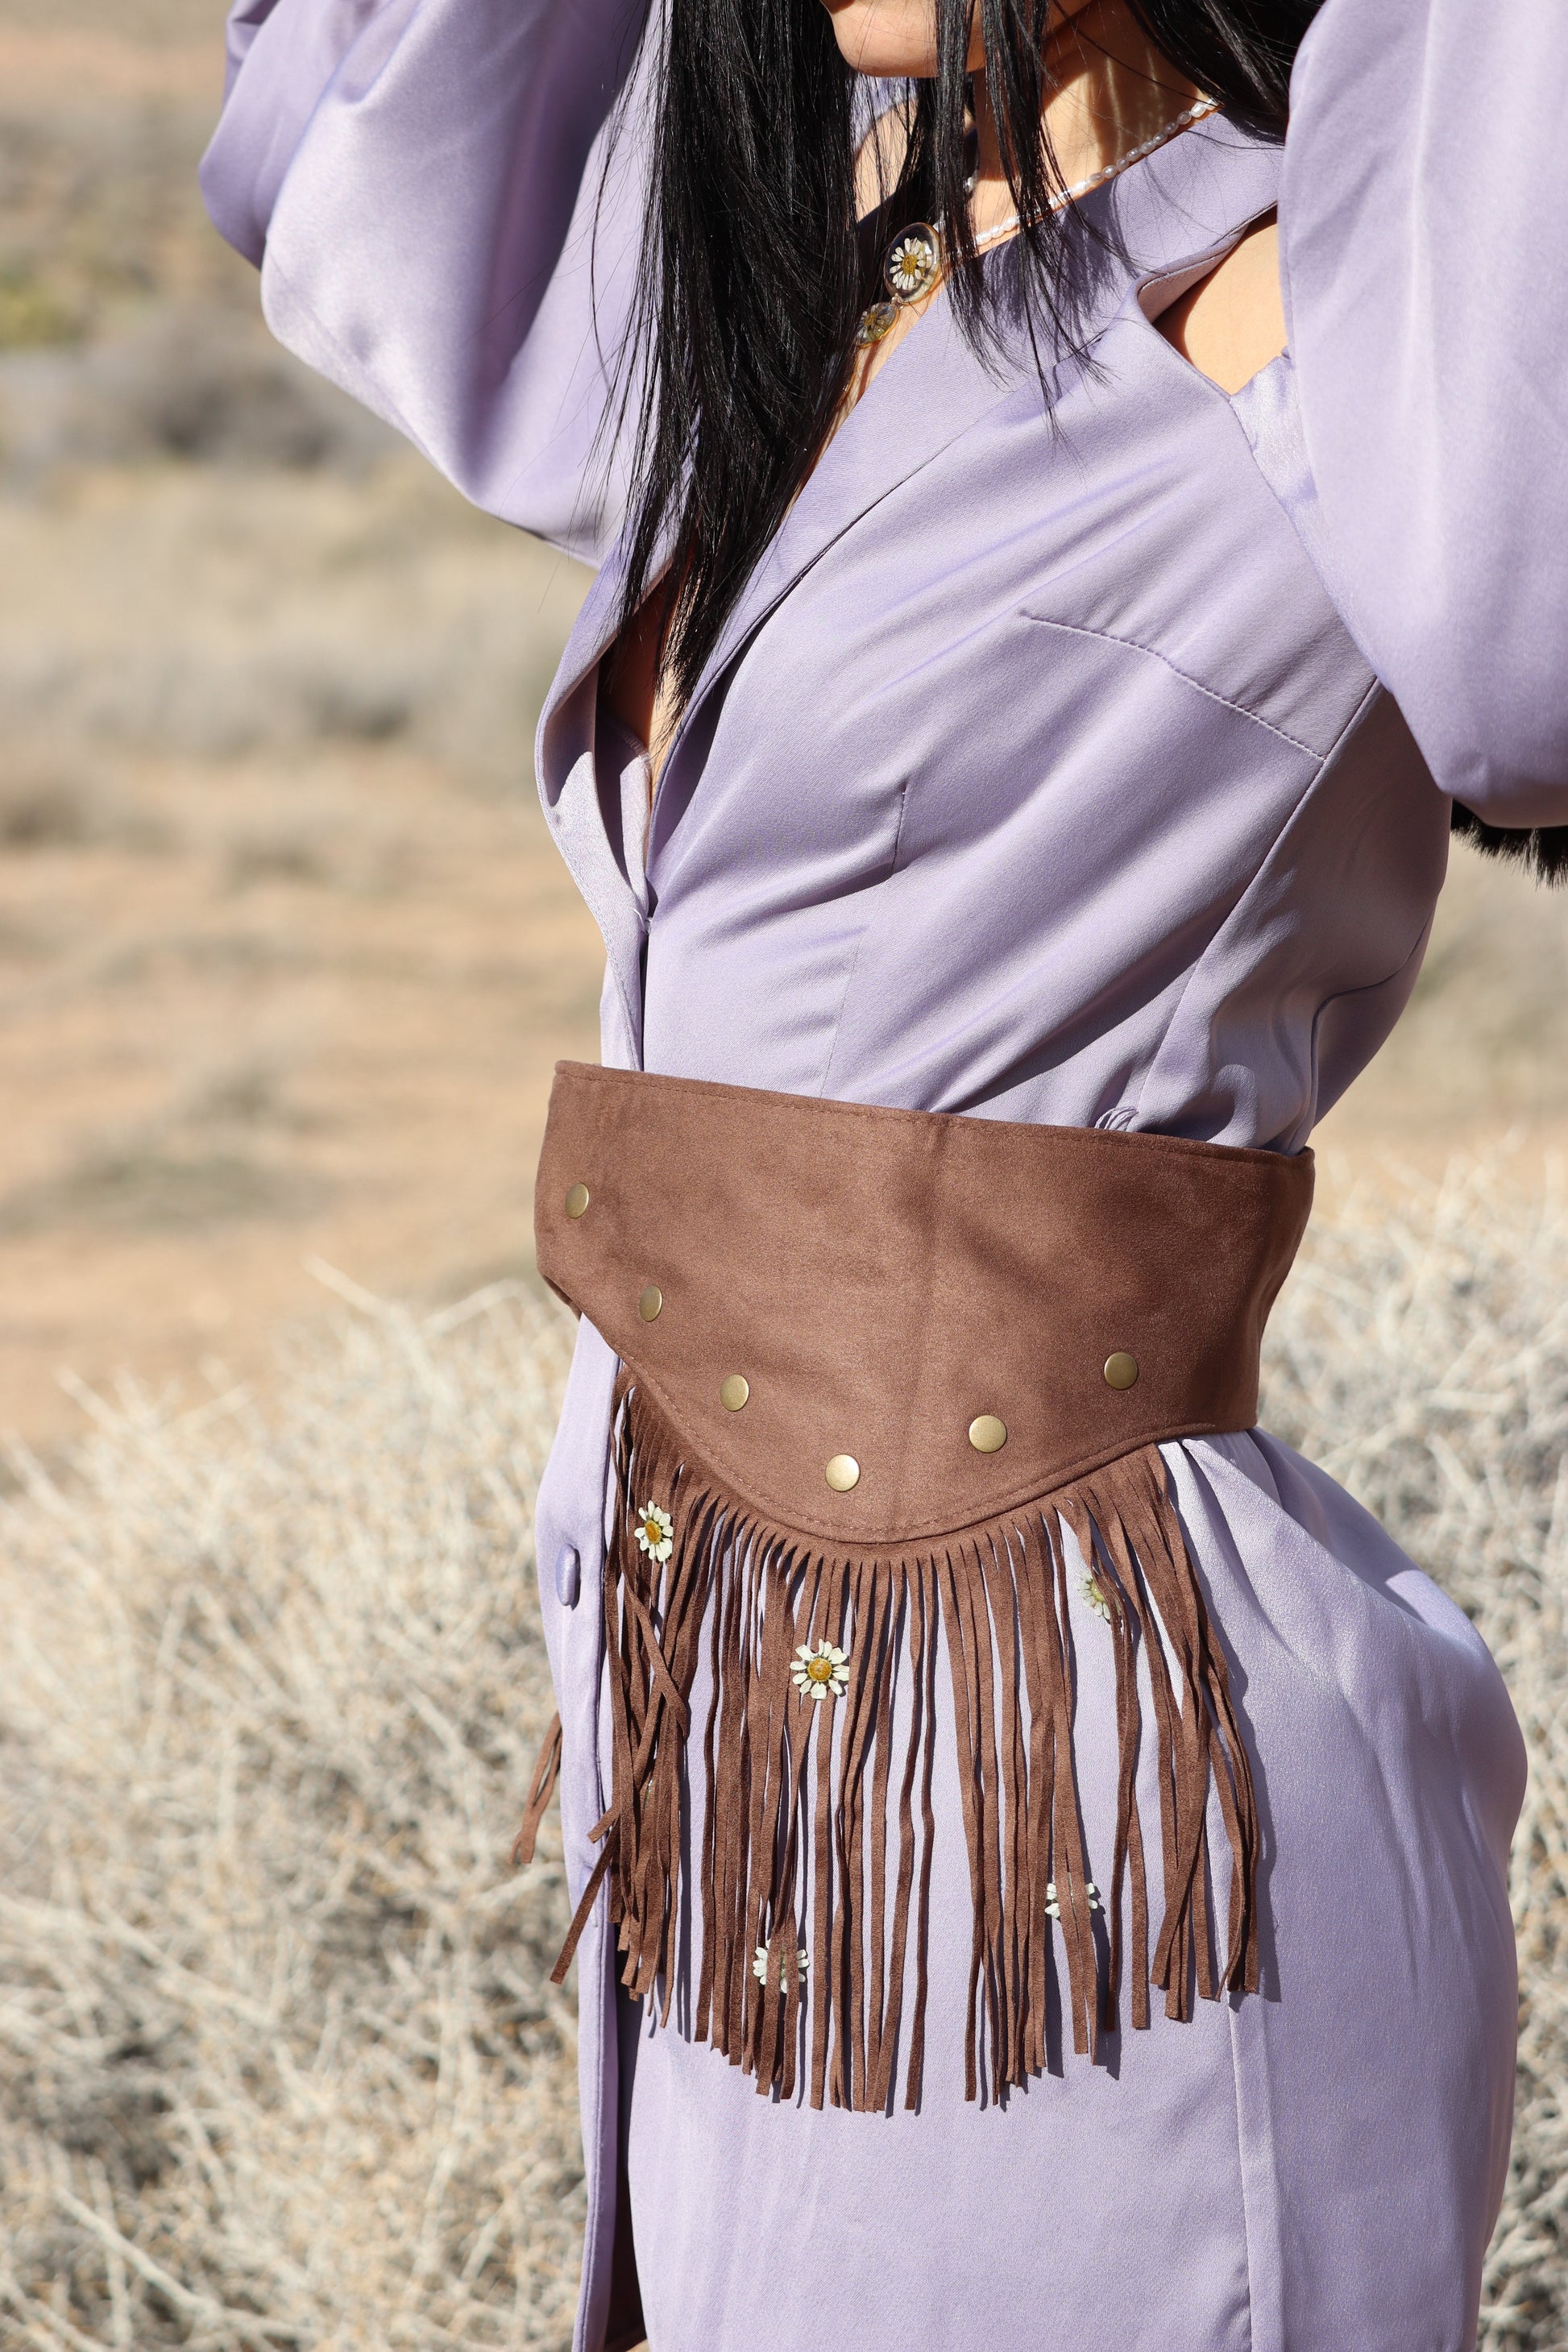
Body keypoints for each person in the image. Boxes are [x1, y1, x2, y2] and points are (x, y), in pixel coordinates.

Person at [201, 0, 1568, 2345]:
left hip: (1079, 1835)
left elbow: (1524, 630)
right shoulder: (842, 270)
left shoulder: (1323, 312)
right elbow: (391, 168)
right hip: (727, 1726)